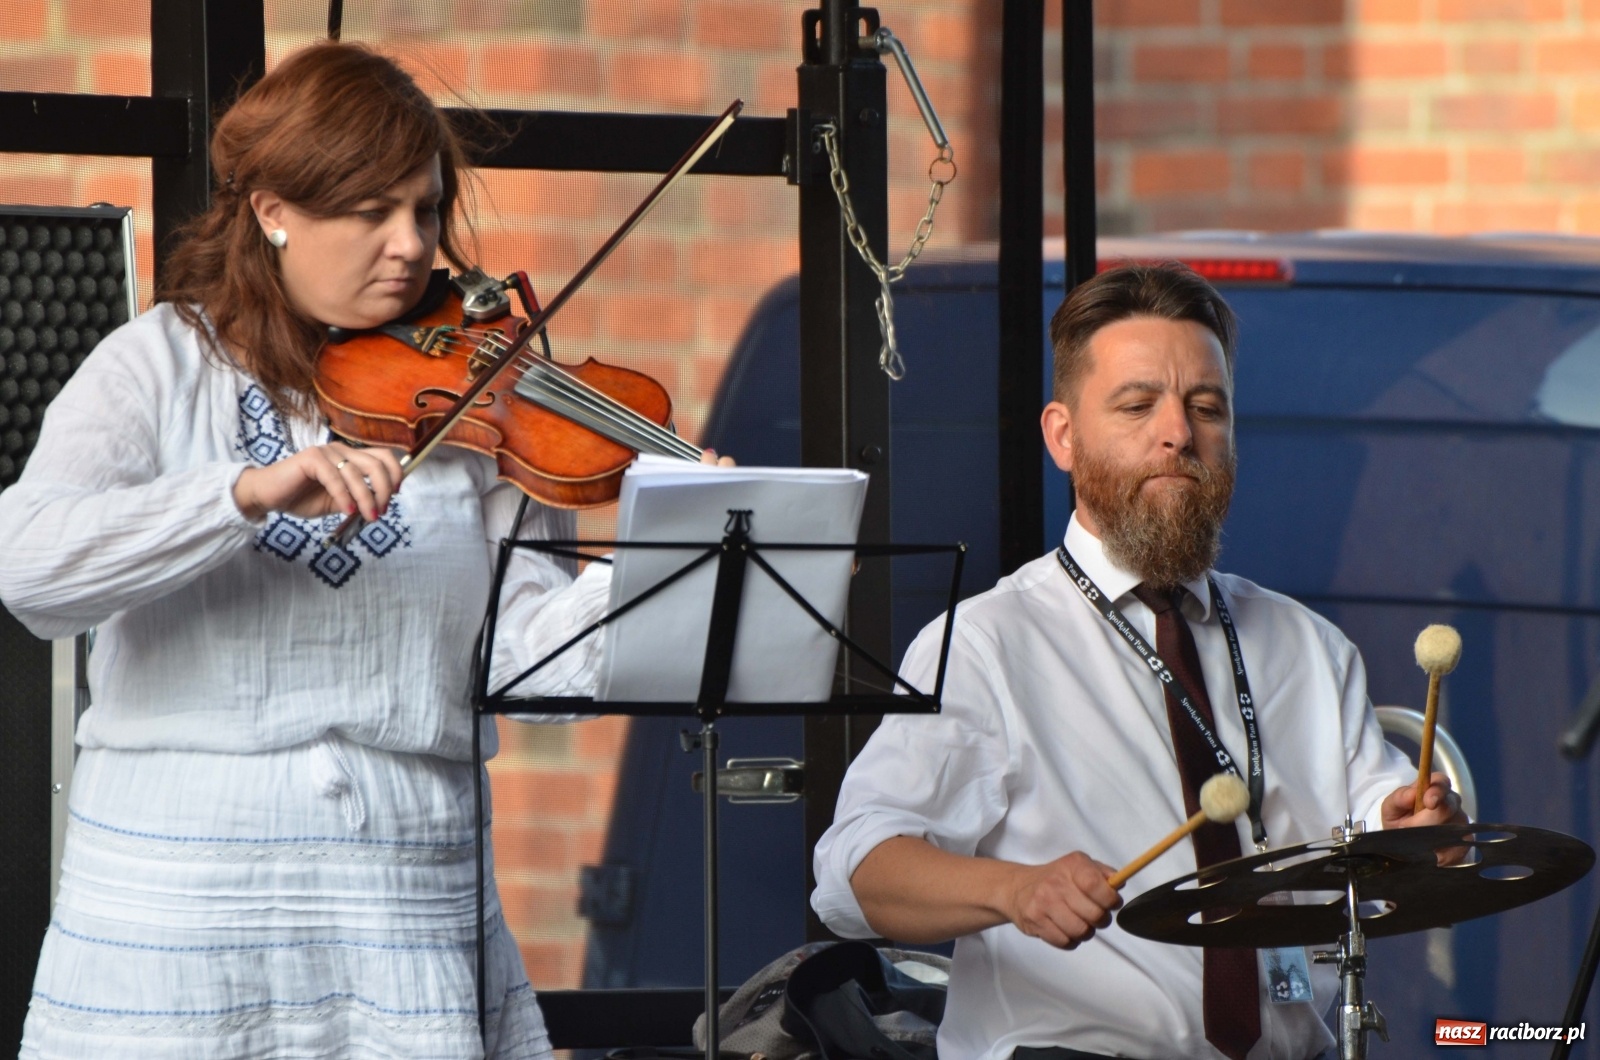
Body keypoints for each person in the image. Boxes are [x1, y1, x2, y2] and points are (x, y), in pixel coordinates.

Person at [0, 41, 695, 1059]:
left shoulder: (478, 397)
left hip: (402, 898)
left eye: (423, 210)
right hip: (188, 911)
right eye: (370, 213)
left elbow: (522, 665)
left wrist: (663, 556)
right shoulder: (156, 367)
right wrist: (242, 493)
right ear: (274, 208)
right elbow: (30, 567)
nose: (411, 246)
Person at [811, 263, 1466, 1060]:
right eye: (1136, 404)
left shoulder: (1307, 646)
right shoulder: (987, 644)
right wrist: (1012, 891)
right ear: (1063, 436)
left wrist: (1415, 829)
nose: (1179, 433)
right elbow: (856, 873)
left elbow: (1376, 829)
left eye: (1206, 406)